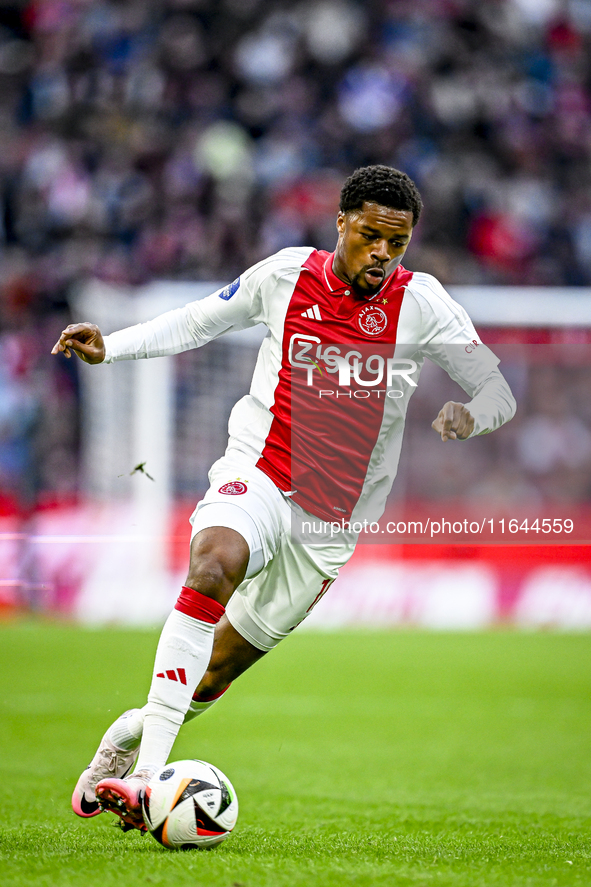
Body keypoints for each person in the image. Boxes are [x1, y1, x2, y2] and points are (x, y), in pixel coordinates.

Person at [52, 165, 516, 832]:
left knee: (211, 677)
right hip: (260, 472)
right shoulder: (286, 274)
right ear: (341, 224)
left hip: (330, 525)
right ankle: (150, 777)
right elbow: (200, 321)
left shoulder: (424, 305)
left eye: (397, 241)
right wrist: (111, 348)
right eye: (368, 236)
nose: (381, 253)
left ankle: (127, 736)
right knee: (214, 561)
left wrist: (471, 417)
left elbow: (495, 389)